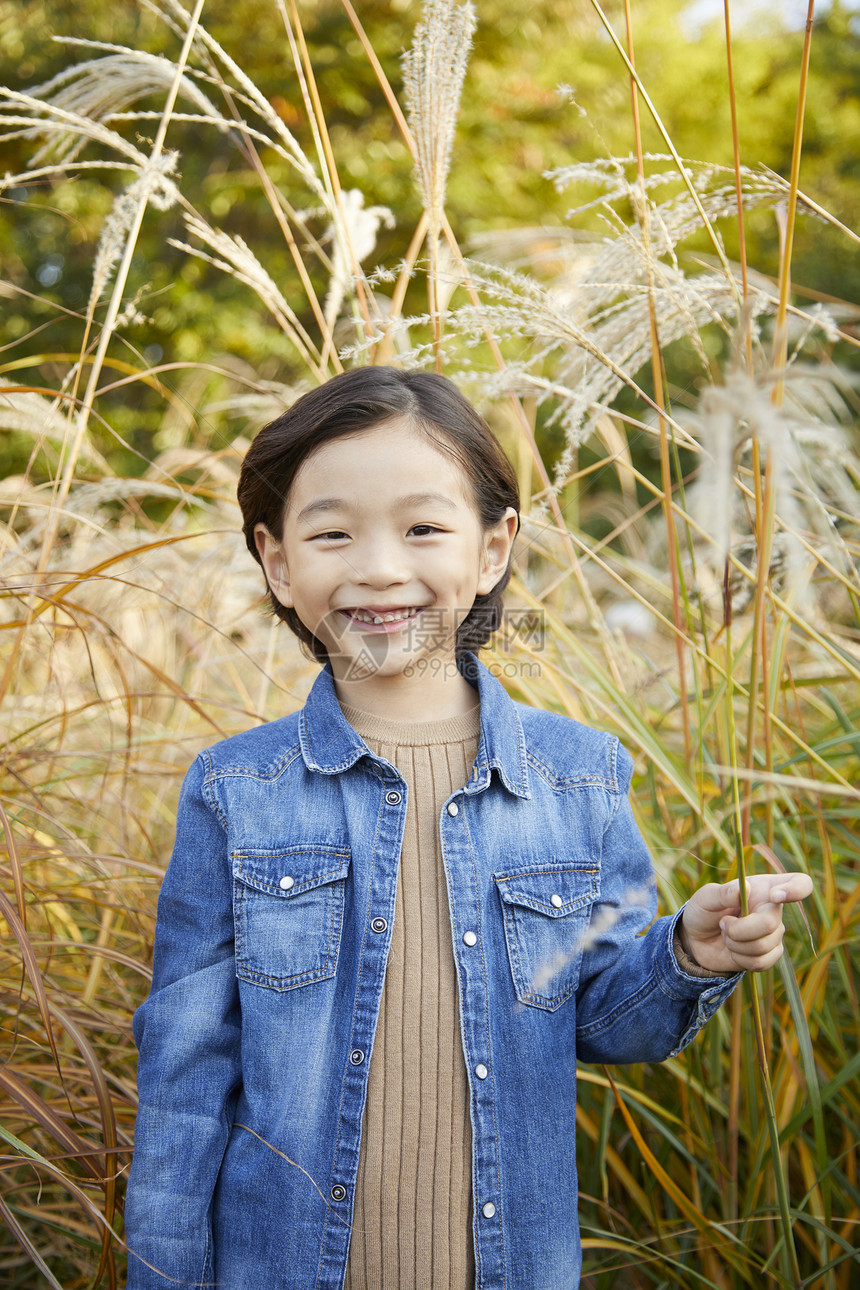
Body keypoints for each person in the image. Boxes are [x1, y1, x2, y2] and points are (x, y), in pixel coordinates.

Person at [124, 366, 812, 1290]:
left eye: (423, 529)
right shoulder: (236, 790)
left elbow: (605, 1017)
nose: (378, 567)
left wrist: (690, 950)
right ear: (278, 561)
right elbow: (185, 1077)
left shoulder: (579, 778)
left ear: (493, 550)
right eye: (331, 533)